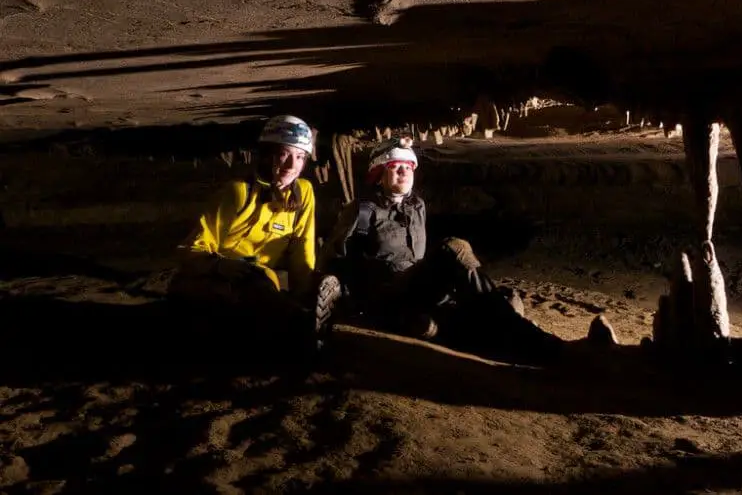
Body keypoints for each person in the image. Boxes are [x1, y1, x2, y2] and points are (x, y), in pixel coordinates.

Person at [318, 135, 617, 366]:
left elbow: (421, 261)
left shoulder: (416, 207)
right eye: (394, 168)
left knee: (503, 301)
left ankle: (550, 351)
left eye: (407, 167)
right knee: (454, 247)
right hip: (387, 293)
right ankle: (549, 347)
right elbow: (335, 258)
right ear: (379, 174)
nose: (402, 173)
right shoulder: (361, 211)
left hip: (419, 291)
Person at [167, 115, 339, 353]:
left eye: (300, 157)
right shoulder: (239, 193)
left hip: (266, 280)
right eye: (284, 155)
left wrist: (304, 293)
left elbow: (303, 248)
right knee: (256, 294)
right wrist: (219, 266)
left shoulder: (303, 192)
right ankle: (297, 327)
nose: (291, 166)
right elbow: (188, 250)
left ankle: (304, 321)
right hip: (218, 278)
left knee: (288, 287)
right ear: (268, 154)